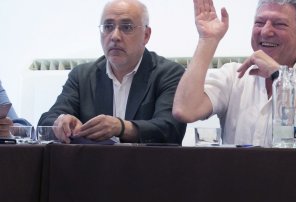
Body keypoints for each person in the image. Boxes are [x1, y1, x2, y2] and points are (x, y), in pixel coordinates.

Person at [173, 0, 296, 147]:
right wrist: (207, 40)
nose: (266, 31)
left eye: (279, 24)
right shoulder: (233, 74)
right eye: (259, 23)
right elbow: (185, 110)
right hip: (235, 179)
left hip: (290, 180)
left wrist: (278, 74)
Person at [38, 0, 186, 144]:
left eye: (126, 27)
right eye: (108, 27)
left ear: (146, 35)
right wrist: (62, 121)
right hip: (95, 166)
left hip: (146, 166)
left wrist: (121, 127)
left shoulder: (169, 73)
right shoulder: (82, 76)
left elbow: (170, 129)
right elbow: (47, 120)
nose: (115, 36)